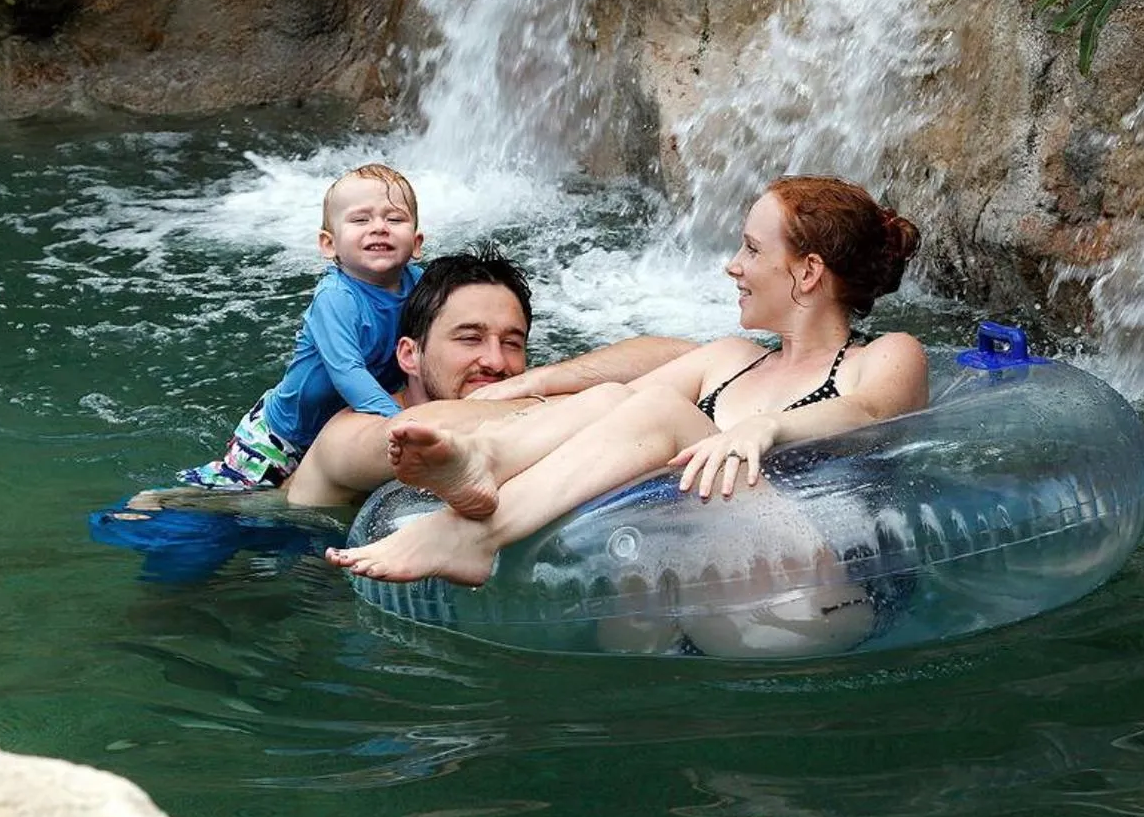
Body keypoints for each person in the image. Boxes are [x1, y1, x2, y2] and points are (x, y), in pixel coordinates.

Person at [324, 175, 927, 588]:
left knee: (661, 412)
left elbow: (871, 413)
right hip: (698, 582)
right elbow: (608, 406)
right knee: (620, 400)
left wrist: (768, 427)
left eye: (749, 248)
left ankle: (472, 538)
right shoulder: (729, 359)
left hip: (823, 584)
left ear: (808, 271)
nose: (733, 266)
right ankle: (486, 459)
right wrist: (511, 390)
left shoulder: (883, 357)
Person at [279, 254, 694, 507]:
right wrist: (600, 401)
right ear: (410, 355)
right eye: (470, 338)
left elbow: (693, 355)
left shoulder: (521, 390)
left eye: (512, 343)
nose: (495, 360)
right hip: (272, 562)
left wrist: (551, 378)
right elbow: (421, 431)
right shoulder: (349, 433)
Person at [178, 163, 424, 490]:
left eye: (394, 219)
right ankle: (161, 503)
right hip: (284, 434)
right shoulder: (336, 298)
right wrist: (401, 421)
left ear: (417, 242)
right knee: (235, 499)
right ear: (328, 244)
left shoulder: (422, 285)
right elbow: (348, 371)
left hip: (342, 426)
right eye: (361, 219)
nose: (379, 227)